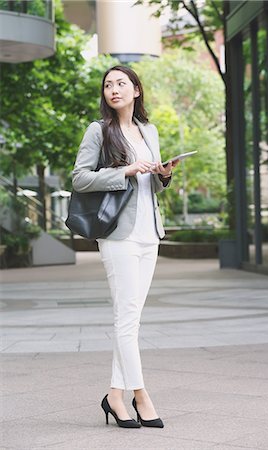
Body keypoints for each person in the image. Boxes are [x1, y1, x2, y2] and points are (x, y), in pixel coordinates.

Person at [72, 65, 178, 429]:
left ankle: (114, 396)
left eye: (121, 83)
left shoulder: (149, 130)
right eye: (107, 85)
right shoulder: (99, 131)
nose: (113, 89)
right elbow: (80, 177)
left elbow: (154, 187)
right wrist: (127, 171)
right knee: (127, 319)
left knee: (130, 318)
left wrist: (164, 173)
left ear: (136, 90)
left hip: (150, 233)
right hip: (118, 235)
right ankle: (140, 395)